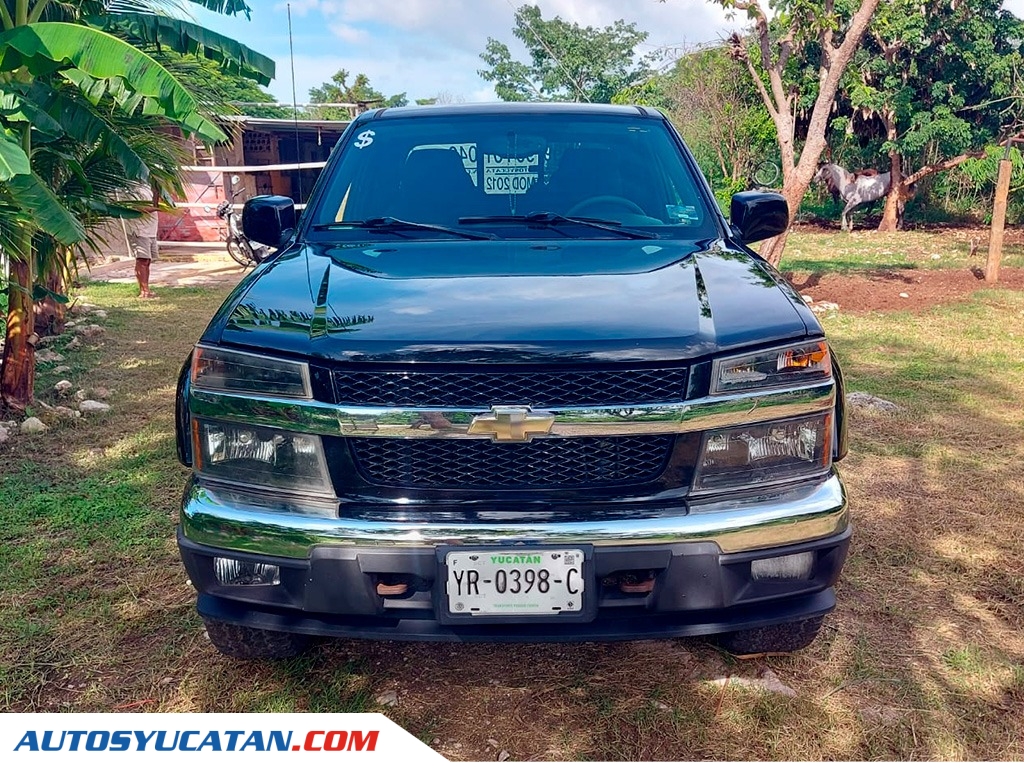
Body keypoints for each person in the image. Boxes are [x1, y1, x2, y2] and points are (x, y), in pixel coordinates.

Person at [127, 180, 160, 298]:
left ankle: (146, 289)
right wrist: (159, 209)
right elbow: (139, 207)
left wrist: (157, 191)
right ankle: (144, 291)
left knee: (147, 261)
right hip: (140, 230)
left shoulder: (147, 187)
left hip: (150, 230)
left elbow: (153, 204)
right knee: (142, 260)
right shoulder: (132, 188)